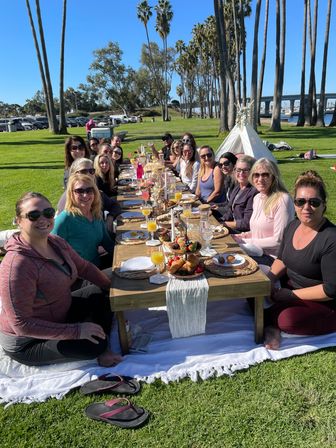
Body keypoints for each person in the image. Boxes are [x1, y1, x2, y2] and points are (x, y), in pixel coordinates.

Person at [0, 192, 121, 367]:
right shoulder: (17, 266)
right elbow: (22, 324)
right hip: (29, 340)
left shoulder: (55, 242)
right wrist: (76, 331)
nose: (43, 219)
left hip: (61, 311)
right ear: (18, 221)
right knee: (94, 345)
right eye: (33, 215)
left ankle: (98, 333)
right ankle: (102, 346)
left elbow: (84, 268)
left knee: (112, 283)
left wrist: (110, 287)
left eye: (48, 213)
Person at [264, 170, 336, 350]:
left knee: (288, 320)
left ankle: (270, 321)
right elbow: (281, 259)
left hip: (322, 301)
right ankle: (269, 316)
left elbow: (330, 290)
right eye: (300, 201)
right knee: (253, 284)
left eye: (314, 202)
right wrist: (269, 280)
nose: (306, 207)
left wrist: (290, 295)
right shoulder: (293, 225)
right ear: (295, 204)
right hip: (289, 288)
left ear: (323, 205)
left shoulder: (331, 238)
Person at [233, 158, 295, 265]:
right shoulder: (257, 198)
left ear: (274, 177)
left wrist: (246, 242)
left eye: (265, 175)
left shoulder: (282, 200)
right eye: (256, 175)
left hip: (273, 259)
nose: (260, 179)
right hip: (255, 251)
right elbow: (261, 231)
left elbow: (279, 241)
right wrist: (245, 236)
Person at [52, 174, 114, 268]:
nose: (85, 195)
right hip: (80, 276)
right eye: (79, 191)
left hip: (97, 267)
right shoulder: (65, 219)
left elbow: (107, 243)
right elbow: (52, 252)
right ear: (71, 194)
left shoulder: (96, 214)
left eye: (89, 190)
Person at [56, 158, 121, 223]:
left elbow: (115, 205)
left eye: (91, 171)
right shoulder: (67, 199)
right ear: (74, 174)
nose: (89, 175)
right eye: (83, 171)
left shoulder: (96, 193)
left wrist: (110, 217)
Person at [218, 155, 257, 233]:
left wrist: (223, 224)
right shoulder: (238, 187)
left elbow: (246, 224)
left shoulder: (254, 192)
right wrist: (220, 220)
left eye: (245, 170)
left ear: (253, 171)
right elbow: (230, 211)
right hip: (233, 228)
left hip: (244, 233)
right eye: (238, 170)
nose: (241, 173)